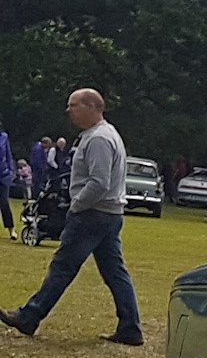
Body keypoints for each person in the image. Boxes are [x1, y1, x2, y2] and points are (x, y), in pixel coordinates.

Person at [0, 89, 143, 345]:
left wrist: (76, 205)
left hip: (93, 214)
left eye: (73, 105)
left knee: (63, 266)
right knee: (114, 271)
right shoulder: (103, 134)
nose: (68, 110)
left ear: (91, 106)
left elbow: (99, 182)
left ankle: (30, 316)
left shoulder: (99, 138)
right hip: (108, 214)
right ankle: (130, 327)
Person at [0, 119, 12, 238]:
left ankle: (11, 229)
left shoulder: (4, 137)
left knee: (4, 202)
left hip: (3, 175)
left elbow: (8, 155)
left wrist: (10, 172)